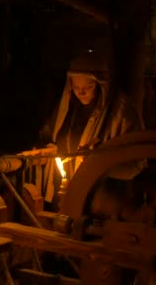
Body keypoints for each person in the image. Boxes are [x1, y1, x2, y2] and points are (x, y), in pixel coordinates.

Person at [20, 50, 144, 210]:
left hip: (101, 202)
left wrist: (98, 164)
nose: (81, 92)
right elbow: (50, 136)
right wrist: (50, 149)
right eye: (76, 86)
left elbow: (135, 166)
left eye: (88, 87)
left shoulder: (122, 114)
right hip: (64, 195)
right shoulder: (66, 108)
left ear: (101, 85)